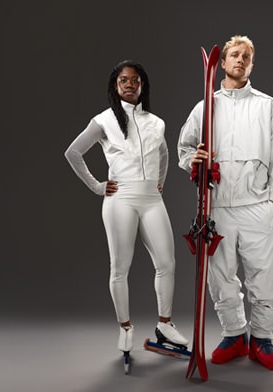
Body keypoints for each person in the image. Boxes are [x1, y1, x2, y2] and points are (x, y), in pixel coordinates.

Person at [178, 35, 273, 371]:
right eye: (234, 55)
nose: (240, 60)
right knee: (221, 277)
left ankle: (262, 338)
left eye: (246, 56)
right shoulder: (206, 106)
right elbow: (185, 148)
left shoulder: (266, 105)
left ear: (251, 65)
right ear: (222, 64)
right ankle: (234, 335)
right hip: (218, 208)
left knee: (264, 276)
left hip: (258, 205)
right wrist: (193, 160)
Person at [64, 60, 188, 359]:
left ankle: (165, 323)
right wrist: (97, 186)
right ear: (115, 86)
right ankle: (125, 327)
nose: (130, 84)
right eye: (123, 80)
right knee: (120, 268)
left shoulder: (156, 122)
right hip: (121, 197)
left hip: (151, 199)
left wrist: (160, 182)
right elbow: (73, 152)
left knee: (167, 262)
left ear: (143, 85)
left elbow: (163, 153)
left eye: (135, 80)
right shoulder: (104, 120)